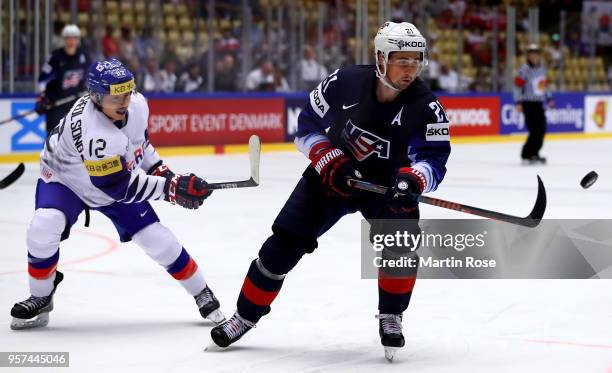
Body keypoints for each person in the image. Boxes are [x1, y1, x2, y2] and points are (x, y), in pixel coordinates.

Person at [209, 22, 451, 361]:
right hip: (332, 177)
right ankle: (245, 316)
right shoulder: (345, 82)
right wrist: (327, 158)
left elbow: (434, 158)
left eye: (416, 60)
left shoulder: (427, 106)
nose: (410, 69)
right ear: (381, 58)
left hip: (386, 187)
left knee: (401, 248)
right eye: (402, 59)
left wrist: (414, 179)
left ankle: (391, 315)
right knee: (281, 245)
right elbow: (306, 126)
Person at [10, 58, 225, 330]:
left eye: (127, 92)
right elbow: (118, 187)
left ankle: (200, 290)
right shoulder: (95, 134)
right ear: (96, 97)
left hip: (106, 180)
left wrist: (163, 171)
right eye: (115, 97)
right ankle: (41, 295)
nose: (123, 102)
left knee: (158, 239)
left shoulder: (136, 105)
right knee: (43, 226)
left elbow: (139, 146)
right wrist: (171, 188)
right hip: (66, 180)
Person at [36, 24, 90, 134]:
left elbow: (89, 78)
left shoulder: (84, 56)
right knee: (54, 138)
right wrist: (41, 98)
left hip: (76, 105)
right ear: (64, 39)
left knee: (76, 138)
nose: (71, 41)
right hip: (56, 105)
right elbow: (42, 80)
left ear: (78, 39)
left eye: (74, 38)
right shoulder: (55, 57)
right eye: (68, 38)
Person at [514, 43, 554, 165]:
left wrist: (549, 98)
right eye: (531, 54)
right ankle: (526, 154)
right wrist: (518, 101)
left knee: (541, 130)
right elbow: (517, 86)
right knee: (534, 130)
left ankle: (535, 153)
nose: (534, 56)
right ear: (528, 55)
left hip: (539, 103)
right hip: (528, 103)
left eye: (536, 54)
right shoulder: (524, 69)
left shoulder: (542, 69)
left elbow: (544, 85)